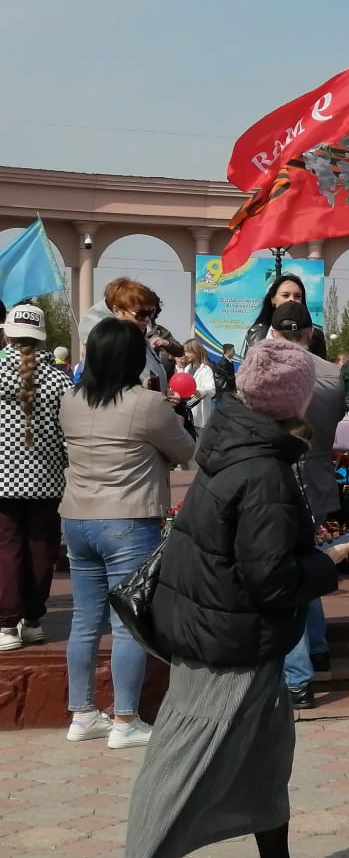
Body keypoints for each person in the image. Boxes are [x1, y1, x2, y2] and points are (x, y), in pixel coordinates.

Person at [124, 338, 349, 858]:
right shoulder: (264, 471)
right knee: (186, 770)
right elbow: (271, 580)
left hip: (221, 626)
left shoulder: (232, 439)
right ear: (295, 400)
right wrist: (326, 564)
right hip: (229, 642)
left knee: (265, 759)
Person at [58, 317, 194, 744]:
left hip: (77, 519)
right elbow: (187, 452)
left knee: (84, 621)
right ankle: (125, 719)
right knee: (127, 624)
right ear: (135, 358)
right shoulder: (146, 404)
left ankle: (81, 714)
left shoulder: (71, 399)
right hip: (127, 521)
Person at [268, 302, 346, 709]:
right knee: (307, 562)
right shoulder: (331, 374)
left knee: (290, 577)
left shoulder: (269, 372)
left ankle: (298, 677)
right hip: (316, 476)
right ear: (311, 333)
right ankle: (317, 646)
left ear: (275, 333)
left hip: (282, 477)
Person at [0, 304, 72, 653]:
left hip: (3, 478)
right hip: (46, 479)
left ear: (8, 332)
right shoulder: (59, 378)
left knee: (7, 548)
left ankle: (6, 624)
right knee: (41, 548)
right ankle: (32, 620)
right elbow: (67, 434)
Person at [78, 277, 171, 394]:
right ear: (117, 311)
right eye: (141, 314)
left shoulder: (139, 337)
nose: (147, 319)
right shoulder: (108, 342)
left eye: (150, 312)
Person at [241, 273, 328, 361]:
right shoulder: (256, 333)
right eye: (285, 295)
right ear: (273, 299)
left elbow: (321, 370)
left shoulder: (315, 335)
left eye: (297, 296)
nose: (292, 300)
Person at [176, 340, 217, 432]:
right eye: (185, 352)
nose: (186, 354)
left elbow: (212, 390)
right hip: (187, 413)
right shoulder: (187, 368)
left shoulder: (206, 369)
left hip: (199, 415)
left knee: (198, 443)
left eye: (188, 352)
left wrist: (199, 392)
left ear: (196, 352)